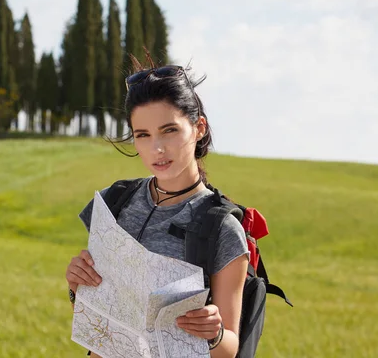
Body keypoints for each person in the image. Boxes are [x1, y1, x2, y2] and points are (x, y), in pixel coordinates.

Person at [65, 53, 249, 357]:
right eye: (143, 135)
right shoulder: (115, 202)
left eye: (170, 130)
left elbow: (229, 348)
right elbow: (99, 319)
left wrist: (215, 334)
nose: (157, 148)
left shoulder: (222, 228)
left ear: (199, 127)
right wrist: (78, 288)